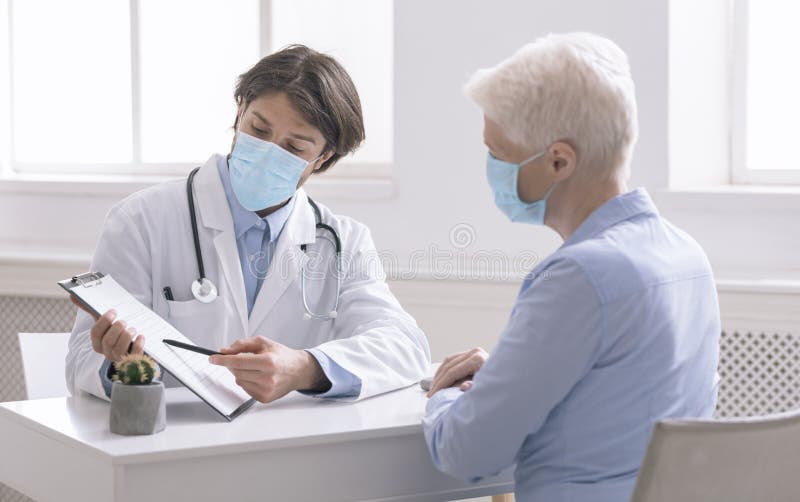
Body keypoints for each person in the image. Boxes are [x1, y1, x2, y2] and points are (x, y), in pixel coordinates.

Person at [422, 33, 720, 501]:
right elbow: (609, 402)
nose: (491, 167)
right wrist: (503, 376)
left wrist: (447, 394)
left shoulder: (578, 278)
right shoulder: (687, 256)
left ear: (558, 160)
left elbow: (467, 453)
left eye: (498, 153)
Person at [66, 45, 430, 404]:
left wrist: (306, 368)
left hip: (287, 446)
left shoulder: (343, 241)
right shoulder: (142, 219)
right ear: (240, 110)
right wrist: (123, 368)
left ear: (322, 159)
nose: (269, 150)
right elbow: (82, 357)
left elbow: (404, 346)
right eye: (259, 128)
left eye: (294, 148)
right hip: (172, 444)